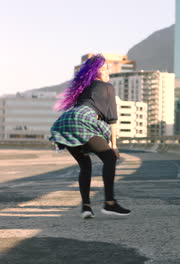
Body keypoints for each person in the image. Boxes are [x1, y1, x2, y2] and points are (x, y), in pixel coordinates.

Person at [50, 54, 130, 219]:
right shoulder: (107, 87)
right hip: (83, 120)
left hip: (66, 121)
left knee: (85, 165)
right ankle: (109, 203)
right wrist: (114, 146)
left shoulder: (83, 87)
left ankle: (86, 207)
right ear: (97, 72)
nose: (107, 71)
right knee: (109, 158)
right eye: (104, 68)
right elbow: (112, 119)